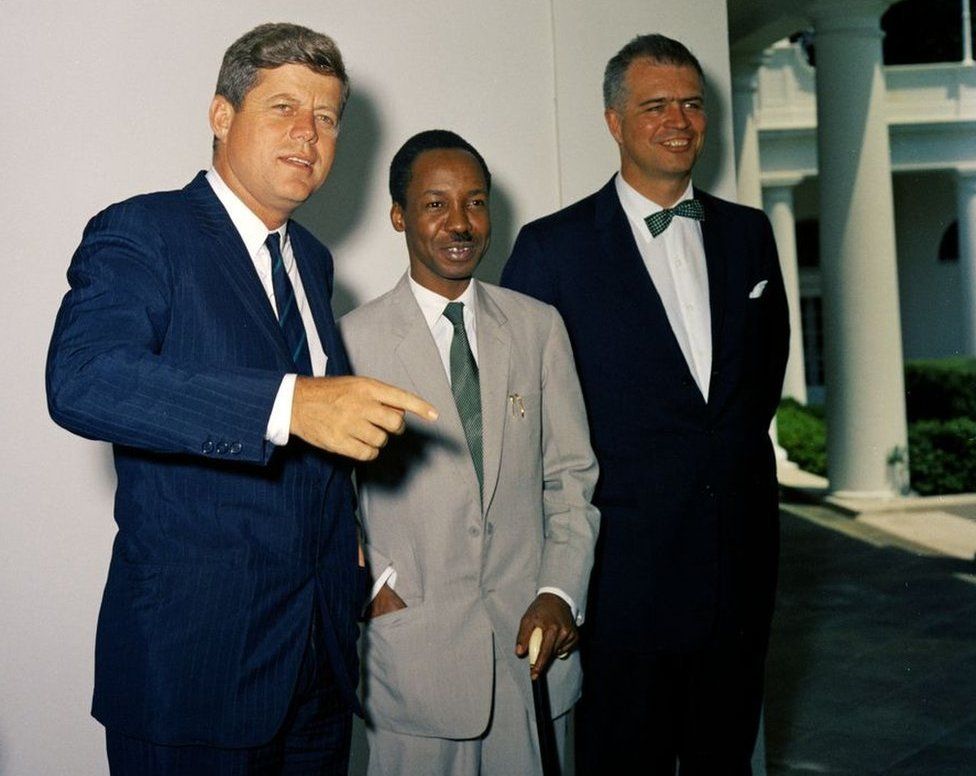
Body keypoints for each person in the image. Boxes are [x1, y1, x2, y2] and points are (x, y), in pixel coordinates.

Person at [46, 23, 436, 775]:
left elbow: (316, 453)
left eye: (326, 117)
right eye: (283, 107)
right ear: (221, 115)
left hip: (318, 668)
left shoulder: (312, 262)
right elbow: (82, 379)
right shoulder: (144, 231)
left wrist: (350, 552)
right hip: (195, 673)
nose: (308, 133)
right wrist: (290, 404)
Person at [501, 34, 790, 775]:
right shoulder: (551, 250)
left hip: (737, 574)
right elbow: (524, 421)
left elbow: (755, 388)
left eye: (692, 105)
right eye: (655, 105)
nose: (679, 121)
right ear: (614, 121)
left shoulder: (751, 236)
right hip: (620, 585)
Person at [339, 130, 600, 776]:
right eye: (435, 205)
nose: (460, 222)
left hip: (532, 655)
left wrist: (560, 592)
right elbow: (326, 499)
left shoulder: (537, 328)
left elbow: (571, 478)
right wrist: (371, 588)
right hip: (412, 664)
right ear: (399, 215)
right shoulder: (350, 342)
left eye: (475, 202)